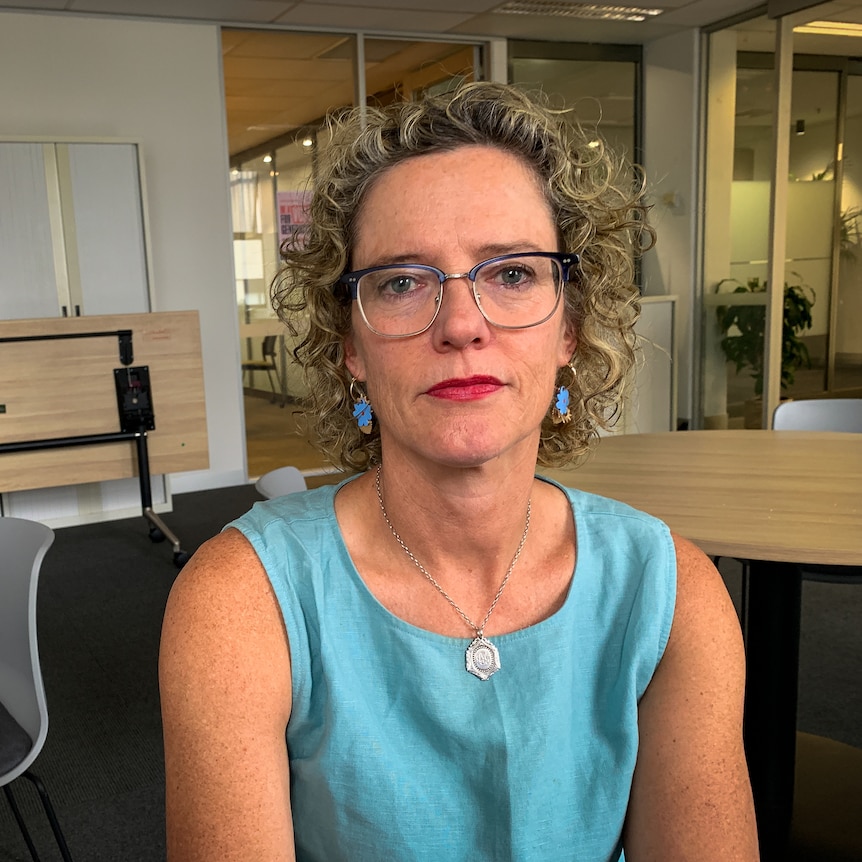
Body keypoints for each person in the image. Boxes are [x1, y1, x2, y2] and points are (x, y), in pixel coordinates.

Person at [159, 81, 759, 862]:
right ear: (351, 346)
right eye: (403, 283)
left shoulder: (671, 594)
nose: (462, 325)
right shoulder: (242, 603)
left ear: (569, 326)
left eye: (511, 273)